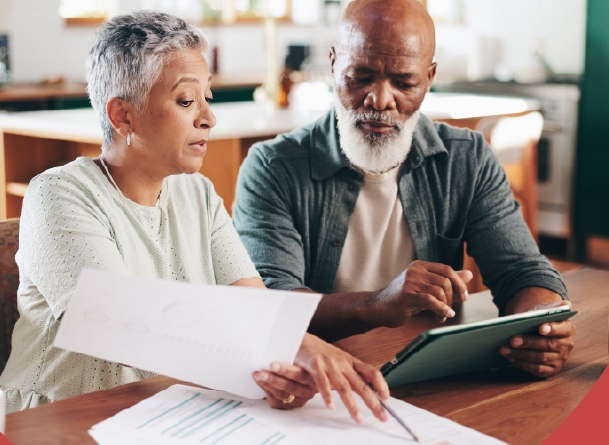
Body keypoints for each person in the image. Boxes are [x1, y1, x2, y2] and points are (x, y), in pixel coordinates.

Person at [0, 10, 391, 423]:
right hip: (54, 419)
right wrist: (289, 341)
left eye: (208, 97)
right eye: (186, 101)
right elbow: (114, 319)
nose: (208, 117)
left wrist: (273, 367)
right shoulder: (57, 194)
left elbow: (250, 304)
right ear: (122, 115)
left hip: (162, 411)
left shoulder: (197, 193)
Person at [232, 0, 575, 379]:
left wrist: (542, 325)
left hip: (433, 375)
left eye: (404, 82)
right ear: (332, 65)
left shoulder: (467, 159)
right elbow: (270, 305)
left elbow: (521, 270)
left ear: (428, 77)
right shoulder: (272, 167)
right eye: (360, 77)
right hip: (320, 379)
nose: (380, 100)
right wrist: (378, 305)